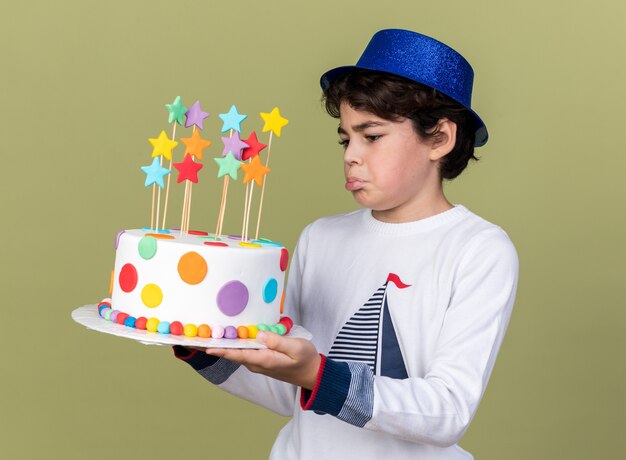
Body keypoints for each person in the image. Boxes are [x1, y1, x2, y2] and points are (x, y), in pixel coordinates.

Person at [174, 29, 518, 459]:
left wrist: (318, 373)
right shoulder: (321, 237)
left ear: (440, 139)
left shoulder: (478, 249)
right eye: (345, 138)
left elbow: (448, 411)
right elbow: (290, 392)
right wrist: (201, 349)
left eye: (371, 136)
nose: (351, 155)